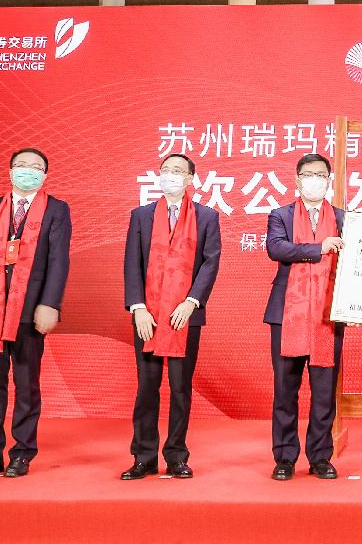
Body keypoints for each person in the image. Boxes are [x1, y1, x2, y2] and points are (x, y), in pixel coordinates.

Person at [0, 148, 71, 478]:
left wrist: (50, 303)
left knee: (26, 384)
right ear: (9, 171)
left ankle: (22, 452)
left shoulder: (56, 210)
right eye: (21, 165)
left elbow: (59, 259)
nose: (27, 171)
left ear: (45, 175)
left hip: (30, 310)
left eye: (35, 167)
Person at [120, 153, 221, 480]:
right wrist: (137, 307)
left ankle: (177, 456)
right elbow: (132, 263)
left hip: (184, 315)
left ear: (190, 179)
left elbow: (210, 263)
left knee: (180, 389)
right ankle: (143, 457)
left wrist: (191, 302)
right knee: (147, 388)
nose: (171, 175)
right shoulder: (142, 215)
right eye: (166, 170)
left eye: (178, 171)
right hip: (147, 315)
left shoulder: (207, 217)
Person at [264, 153, 345, 481]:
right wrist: (319, 247)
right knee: (286, 389)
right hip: (287, 313)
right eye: (308, 175)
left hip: (327, 312)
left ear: (329, 180)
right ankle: (285, 458)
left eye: (320, 175)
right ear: (297, 180)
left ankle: (320, 457)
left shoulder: (342, 217)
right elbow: (277, 249)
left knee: (324, 391)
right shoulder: (280, 215)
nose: (315, 180)